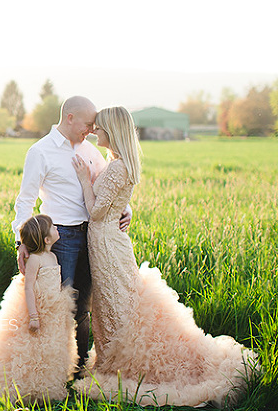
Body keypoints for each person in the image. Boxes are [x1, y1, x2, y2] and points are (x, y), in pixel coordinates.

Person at [71, 106, 260, 407]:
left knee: (115, 305)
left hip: (107, 244)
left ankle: (121, 365)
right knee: (109, 304)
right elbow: (114, 202)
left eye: (99, 127)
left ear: (112, 131)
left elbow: (95, 212)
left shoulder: (118, 167)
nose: (94, 131)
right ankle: (109, 360)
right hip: (106, 240)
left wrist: (84, 178)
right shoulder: (116, 163)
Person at [11, 96, 130, 369]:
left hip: (92, 236)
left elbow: (111, 185)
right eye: (88, 124)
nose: (91, 130)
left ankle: (80, 369)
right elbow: (25, 200)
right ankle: (54, 369)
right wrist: (21, 241)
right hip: (59, 239)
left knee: (84, 308)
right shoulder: (40, 151)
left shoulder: (90, 151)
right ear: (70, 118)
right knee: (58, 307)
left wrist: (127, 209)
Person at [0, 214, 78, 405]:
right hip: (38, 308)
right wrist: (34, 316)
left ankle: (46, 386)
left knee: (50, 347)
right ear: (46, 240)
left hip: (53, 309)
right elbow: (28, 287)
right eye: (53, 227)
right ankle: (24, 387)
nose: (57, 228)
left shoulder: (52, 256)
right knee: (31, 347)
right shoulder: (35, 260)